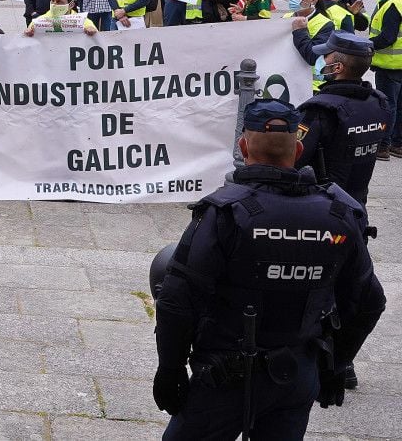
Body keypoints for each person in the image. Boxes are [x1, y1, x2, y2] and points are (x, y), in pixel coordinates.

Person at [152, 98, 385, 439]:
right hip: (297, 376)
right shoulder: (340, 215)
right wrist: (334, 366)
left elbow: (177, 300)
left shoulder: (226, 213)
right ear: (299, 147)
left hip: (224, 380)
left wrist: (169, 369)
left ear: (243, 145)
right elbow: (368, 301)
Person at [296, 31, 390, 209]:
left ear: (337, 67)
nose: (322, 59)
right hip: (357, 207)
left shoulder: (319, 109)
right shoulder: (379, 102)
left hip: (323, 207)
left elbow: (294, 159)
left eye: (326, 56)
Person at [369, 0, 402, 160]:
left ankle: (382, 146)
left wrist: (367, 44)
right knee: (399, 106)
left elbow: (387, 38)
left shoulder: (392, 5)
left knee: (388, 106)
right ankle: (398, 144)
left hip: (389, 66)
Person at [288, 0, 337, 70]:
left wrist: (300, 31)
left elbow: (312, 57)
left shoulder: (326, 25)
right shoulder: (286, 17)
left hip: (310, 81)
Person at [24, 0, 100, 36]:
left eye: (59, 2)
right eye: (52, 0)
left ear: (71, 5)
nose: (54, 4)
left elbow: (97, 42)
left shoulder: (84, 22)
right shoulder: (38, 22)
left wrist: (92, 33)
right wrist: (28, 34)